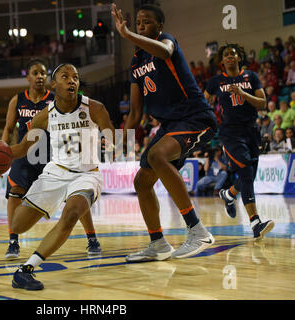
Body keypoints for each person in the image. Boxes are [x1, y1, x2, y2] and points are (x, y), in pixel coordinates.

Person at [112, 3, 216, 262]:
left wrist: (127, 35)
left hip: (194, 116)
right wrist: (118, 144)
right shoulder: (136, 61)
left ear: (159, 26)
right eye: (137, 23)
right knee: (141, 182)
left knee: (157, 156)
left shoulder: (166, 41)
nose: (140, 26)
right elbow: (135, 113)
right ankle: (158, 243)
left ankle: (198, 230)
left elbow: (165, 50)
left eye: (146, 22)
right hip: (170, 125)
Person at [10, 63, 115, 290]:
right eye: (65, 77)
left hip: (87, 174)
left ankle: (26, 270)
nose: (72, 81)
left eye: (75, 77)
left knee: (72, 214)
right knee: (17, 225)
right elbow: (21, 149)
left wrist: (112, 141)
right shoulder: (43, 117)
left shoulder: (95, 108)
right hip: (55, 173)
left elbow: (111, 132)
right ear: (54, 84)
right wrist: (1, 155)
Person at [1, 59, 101, 260]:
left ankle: (92, 237)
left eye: (43, 73)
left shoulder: (58, 98)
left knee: (75, 196)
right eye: (35, 73)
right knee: (15, 193)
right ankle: (13, 240)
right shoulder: (17, 100)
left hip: (53, 155)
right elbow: (9, 128)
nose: (39, 77)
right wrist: (2, 152)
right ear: (28, 77)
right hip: (25, 152)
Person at [204, 43, 274, 239]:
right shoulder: (216, 81)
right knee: (246, 172)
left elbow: (262, 103)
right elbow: (203, 102)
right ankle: (255, 223)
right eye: (226, 54)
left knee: (249, 176)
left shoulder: (251, 77)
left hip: (252, 130)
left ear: (239, 57)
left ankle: (229, 194)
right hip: (230, 132)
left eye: (233, 54)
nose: (230, 57)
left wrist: (243, 93)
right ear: (222, 60)